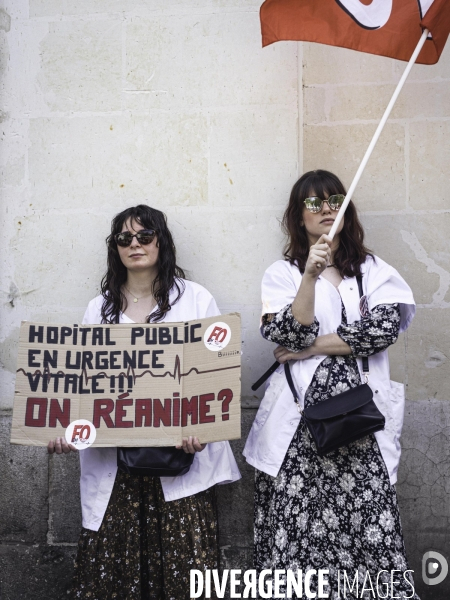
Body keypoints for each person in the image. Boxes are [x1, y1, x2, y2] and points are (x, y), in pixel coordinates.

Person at [48, 204, 241, 600]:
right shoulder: (96, 309)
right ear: (115, 248)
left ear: (161, 242)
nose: (134, 244)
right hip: (116, 471)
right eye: (124, 238)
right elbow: (83, 387)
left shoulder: (196, 300)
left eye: (145, 236)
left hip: (179, 467)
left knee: (183, 574)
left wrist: (203, 429)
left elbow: (218, 374)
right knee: (113, 577)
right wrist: (64, 429)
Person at [243, 170, 420, 598]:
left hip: (359, 429)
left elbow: (380, 330)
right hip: (299, 433)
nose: (325, 209)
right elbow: (288, 333)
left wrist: (312, 349)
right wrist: (309, 276)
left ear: (346, 211)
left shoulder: (374, 271)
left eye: (334, 201)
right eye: (314, 203)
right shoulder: (281, 274)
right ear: (297, 216)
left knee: (369, 533)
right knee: (296, 535)